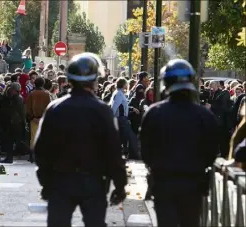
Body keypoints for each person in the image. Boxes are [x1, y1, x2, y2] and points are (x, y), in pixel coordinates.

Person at [34, 53, 127, 227]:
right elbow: (114, 151)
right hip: (93, 182)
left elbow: (41, 150)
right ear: (94, 80)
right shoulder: (102, 111)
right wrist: (120, 185)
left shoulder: (55, 109)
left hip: (60, 181)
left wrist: (46, 182)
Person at [140, 59, 219, 227]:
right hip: (193, 183)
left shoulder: (154, 113)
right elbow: (212, 151)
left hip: (164, 183)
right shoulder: (204, 116)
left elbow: (145, 150)